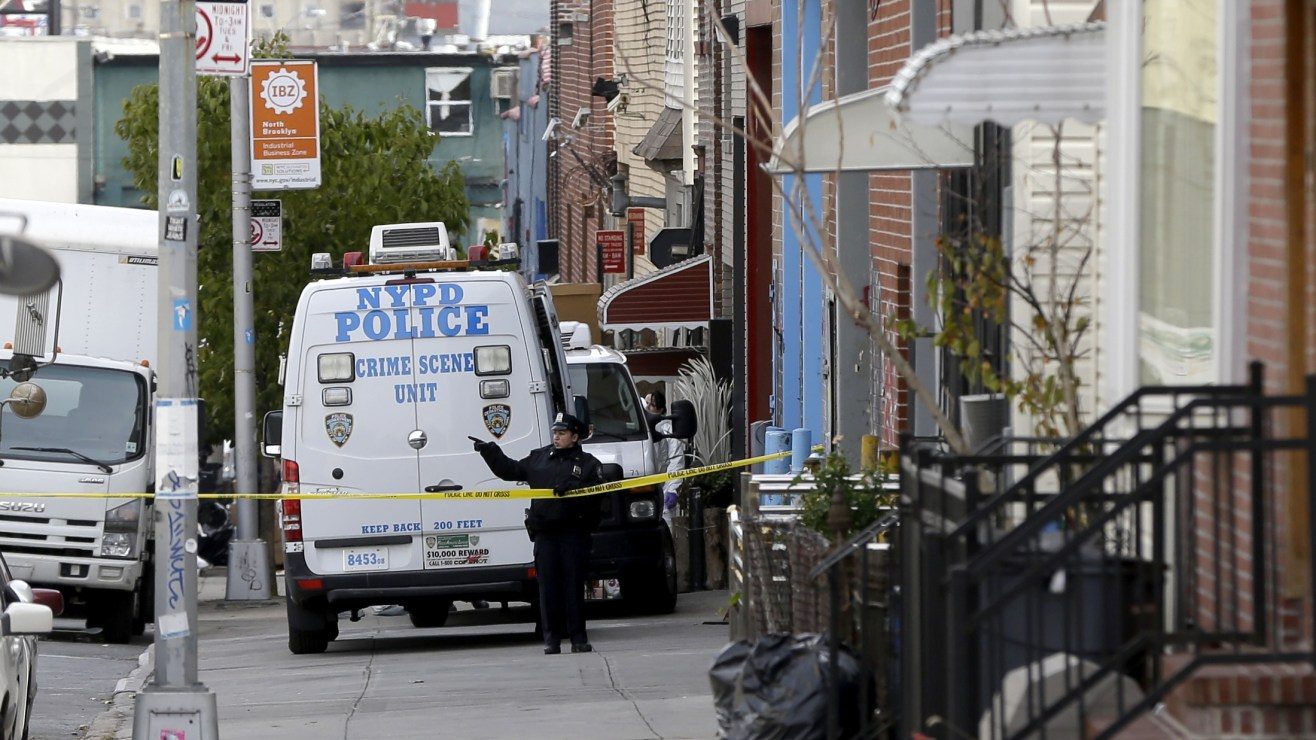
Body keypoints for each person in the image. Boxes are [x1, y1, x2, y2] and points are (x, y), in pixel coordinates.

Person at [472, 412, 605, 654]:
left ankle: (578, 639)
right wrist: (490, 452)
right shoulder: (540, 458)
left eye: (562, 433)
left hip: (573, 533)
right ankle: (551, 640)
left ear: (575, 437)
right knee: (548, 590)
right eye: (555, 432)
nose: (557, 437)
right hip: (545, 534)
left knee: (574, 588)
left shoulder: (588, 464)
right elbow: (511, 470)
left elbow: (598, 499)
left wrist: (577, 490)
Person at [644, 392, 685, 524]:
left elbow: (676, 459)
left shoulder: (668, 430)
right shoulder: (638, 430)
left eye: (652, 404)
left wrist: (672, 489)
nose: (648, 407)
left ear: (661, 410)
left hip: (664, 490)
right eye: (647, 403)